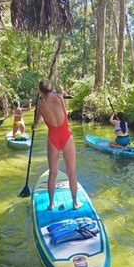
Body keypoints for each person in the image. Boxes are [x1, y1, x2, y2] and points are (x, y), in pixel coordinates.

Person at [32, 80, 82, 210]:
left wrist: (33, 126)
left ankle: (51, 204)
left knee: (53, 172)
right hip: (66, 135)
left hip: (53, 138)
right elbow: (65, 114)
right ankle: (75, 203)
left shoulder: (40, 107)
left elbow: (36, 124)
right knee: (71, 172)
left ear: (39, 90)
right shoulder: (59, 97)